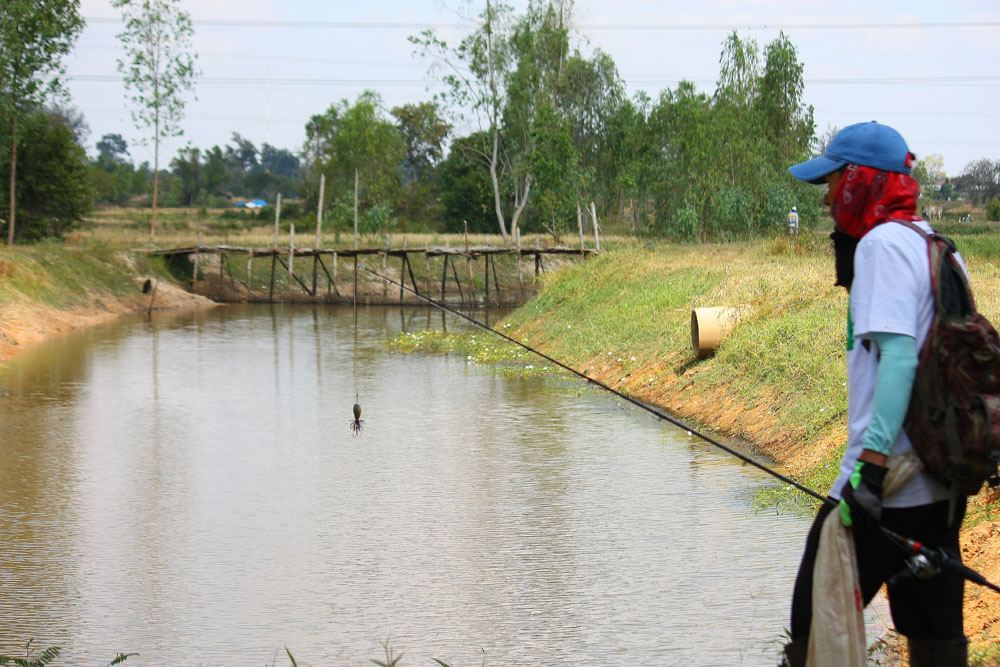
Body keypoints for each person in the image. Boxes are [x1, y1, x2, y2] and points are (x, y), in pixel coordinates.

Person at [783, 121, 969, 666]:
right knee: (935, 634)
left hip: (885, 486)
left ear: (862, 182)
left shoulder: (883, 246)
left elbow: (900, 358)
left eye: (835, 182)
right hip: (940, 488)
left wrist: (871, 470)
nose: (827, 199)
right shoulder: (937, 245)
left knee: (812, 619)